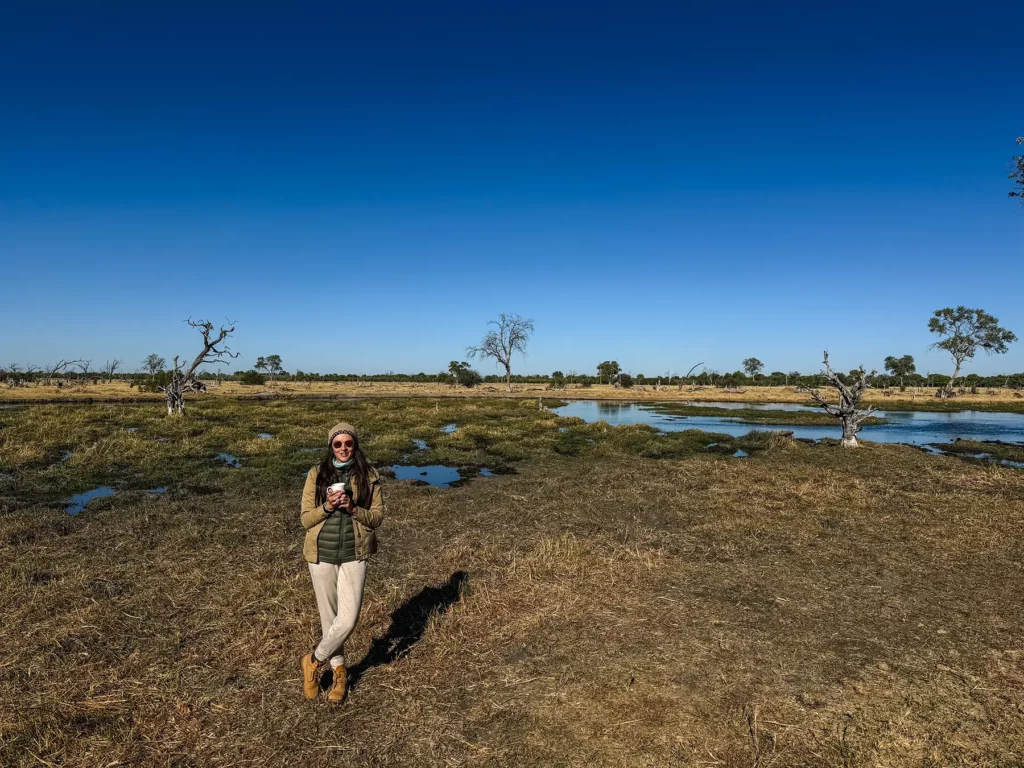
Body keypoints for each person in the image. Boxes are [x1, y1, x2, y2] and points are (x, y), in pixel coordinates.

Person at [299, 421, 385, 702]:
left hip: (355, 553)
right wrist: (327, 507)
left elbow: (377, 518)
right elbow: (305, 519)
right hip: (321, 555)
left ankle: (313, 661)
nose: (343, 448)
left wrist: (352, 508)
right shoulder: (316, 473)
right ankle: (339, 675)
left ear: (355, 445)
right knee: (329, 620)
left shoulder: (369, 475)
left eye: (348, 443)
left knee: (347, 619)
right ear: (330, 447)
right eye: (338, 444)